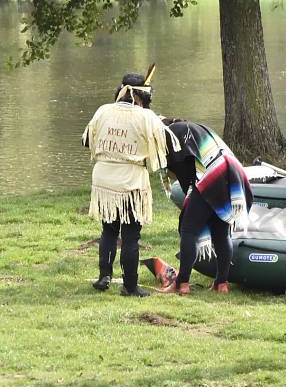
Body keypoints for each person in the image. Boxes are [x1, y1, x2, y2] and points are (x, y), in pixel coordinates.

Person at [82, 67, 178, 297]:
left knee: (108, 230)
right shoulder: (146, 117)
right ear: (142, 97)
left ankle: (104, 276)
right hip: (130, 181)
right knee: (131, 236)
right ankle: (130, 286)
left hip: (104, 178)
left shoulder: (103, 110)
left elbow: (86, 140)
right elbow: (166, 146)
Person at [157, 120, 253, 294]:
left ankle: (182, 284)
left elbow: (186, 178)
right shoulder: (192, 129)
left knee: (189, 230)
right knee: (221, 231)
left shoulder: (169, 137)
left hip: (213, 173)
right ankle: (221, 284)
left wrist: (192, 208)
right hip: (233, 171)